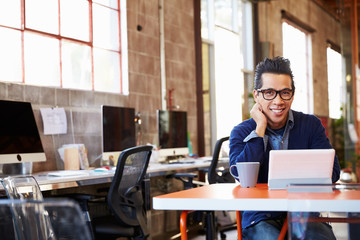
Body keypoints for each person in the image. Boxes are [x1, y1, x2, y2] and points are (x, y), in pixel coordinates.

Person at [229, 56, 341, 240]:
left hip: (305, 213)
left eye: (285, 92)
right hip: (260, 216)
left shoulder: (311, 125)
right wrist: (259, 129)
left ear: (292, 94)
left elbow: (333, 173)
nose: (278, 101)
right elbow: (241, 176)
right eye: (269, 92)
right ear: (256, 95)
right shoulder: (241, 132)